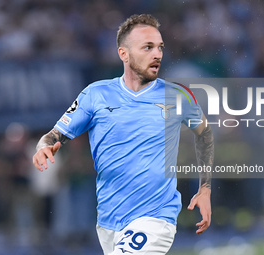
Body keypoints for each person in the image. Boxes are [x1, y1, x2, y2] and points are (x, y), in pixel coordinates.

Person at [33, 14, 214, 255]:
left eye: (160, 47)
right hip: (109, 221)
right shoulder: (95, 95)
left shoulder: (178, 96)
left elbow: (205, 134)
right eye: (147, 47)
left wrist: (205, 188)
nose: (157, 54)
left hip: (155, 217)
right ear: (123, 54)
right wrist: (42, 146)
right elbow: (54, 135)